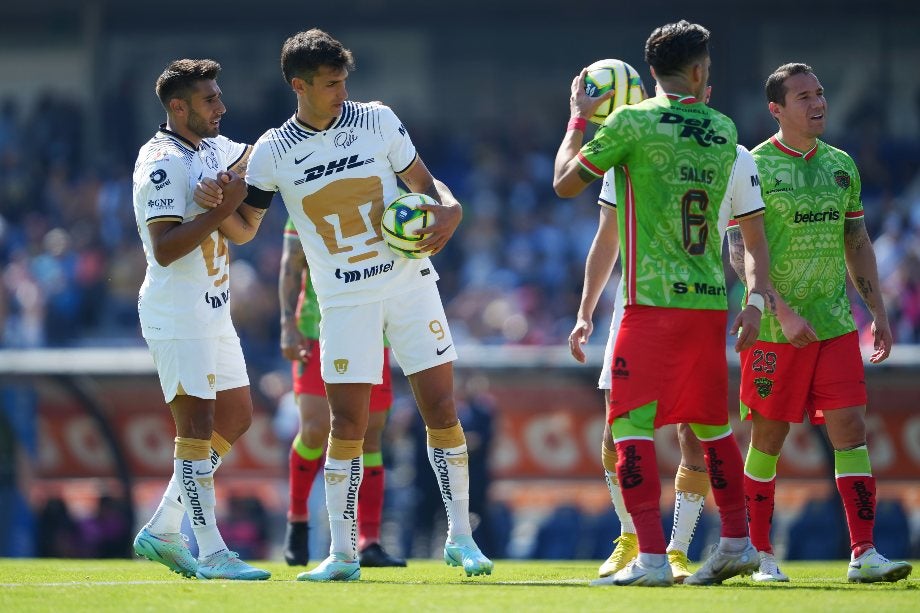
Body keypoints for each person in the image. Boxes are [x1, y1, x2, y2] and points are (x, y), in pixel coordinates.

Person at [215, 28, 492, 582]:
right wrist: (217, 206)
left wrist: (452, 209)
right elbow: (245, 229)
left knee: (441, 408)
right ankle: (342, 554)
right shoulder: (272, 151)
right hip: (342, 303)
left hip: (410, 285)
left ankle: (462, 538)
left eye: (345, 81)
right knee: (347, 423)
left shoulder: (378, 120)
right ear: (299, 86)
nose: (343, 91)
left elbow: (423, 182)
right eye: (330, 84)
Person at [554, 20, 781, 587]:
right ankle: (734, 542)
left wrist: (580, 119)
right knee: (710, 426)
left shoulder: (631, 123)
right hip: (706, 304)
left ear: (649, 73)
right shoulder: (724, 129)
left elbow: (563, 183)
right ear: (701, 71)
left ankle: (651, 556)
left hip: (649, 301)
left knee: (627, 422)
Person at [728, 62, 913, 584]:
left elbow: (857, 242)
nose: (818, 104)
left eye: (821, 93)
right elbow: (740, 247)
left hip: (833, 324)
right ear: (776, 109)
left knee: (851, 430)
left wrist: (877, 312)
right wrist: (779, 309)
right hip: (773, 329)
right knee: (767, 438)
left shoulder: (842, 166)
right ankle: (761, 555)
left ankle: (864, 553)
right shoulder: (754, 165)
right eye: (803, 96)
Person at [130, 58, 270, 580]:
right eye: (210, 99)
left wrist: (232, 178)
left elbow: (258, 155)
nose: (221, 106)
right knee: (196, 428)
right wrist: (219, 208)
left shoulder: (211, 147)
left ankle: (164, 526)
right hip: (177, 309)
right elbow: (164, 248)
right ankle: (212, 551)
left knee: (236, 416)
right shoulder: (161, 161)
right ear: (177, 107)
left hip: (214, 309)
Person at [569, 166, 711, 583]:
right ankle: (630, 537)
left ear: (708, 94)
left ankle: (679, 551)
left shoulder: (726, 152)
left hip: (698, 305)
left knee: (694, 431)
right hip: (635, 304)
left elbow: (743, 233)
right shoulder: (627, 158)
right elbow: (607, 236)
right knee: (617, 428)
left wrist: (756, 297)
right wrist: (584, 312)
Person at [279, 218, 405, 568]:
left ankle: (369, 541)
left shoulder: (385, 197)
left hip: (373, 332)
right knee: (315, 432)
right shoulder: (305, 196)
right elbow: (291, 263)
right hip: (315, 330)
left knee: (371, 439)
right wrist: (287, 323)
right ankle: (298, 519)